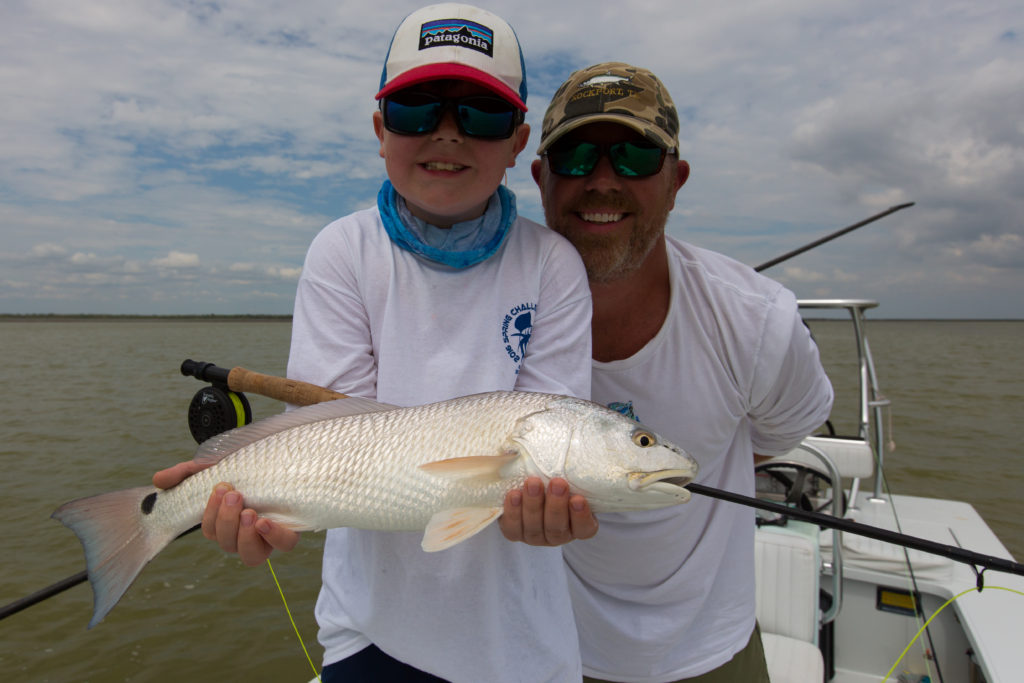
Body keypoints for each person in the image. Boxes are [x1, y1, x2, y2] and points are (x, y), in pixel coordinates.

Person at [155, 6, 592, 682]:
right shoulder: (342, 252)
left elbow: (550, 445)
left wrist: (551, 507)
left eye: (481, 114)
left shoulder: (553, 265)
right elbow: (333, 442)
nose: (448, 134)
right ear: (379, 129)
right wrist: (262, 506)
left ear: (518, 142)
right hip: (368, 634)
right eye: (418, 108)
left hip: (523, 644)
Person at [500, 62, 834, 682]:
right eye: (575, 157)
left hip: (712, 651)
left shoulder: (758, 322)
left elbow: (775, 437)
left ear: (676, 180)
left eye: (634, 156)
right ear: (541, 177)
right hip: (537, 647)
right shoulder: (487, 308)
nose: (603, 181)